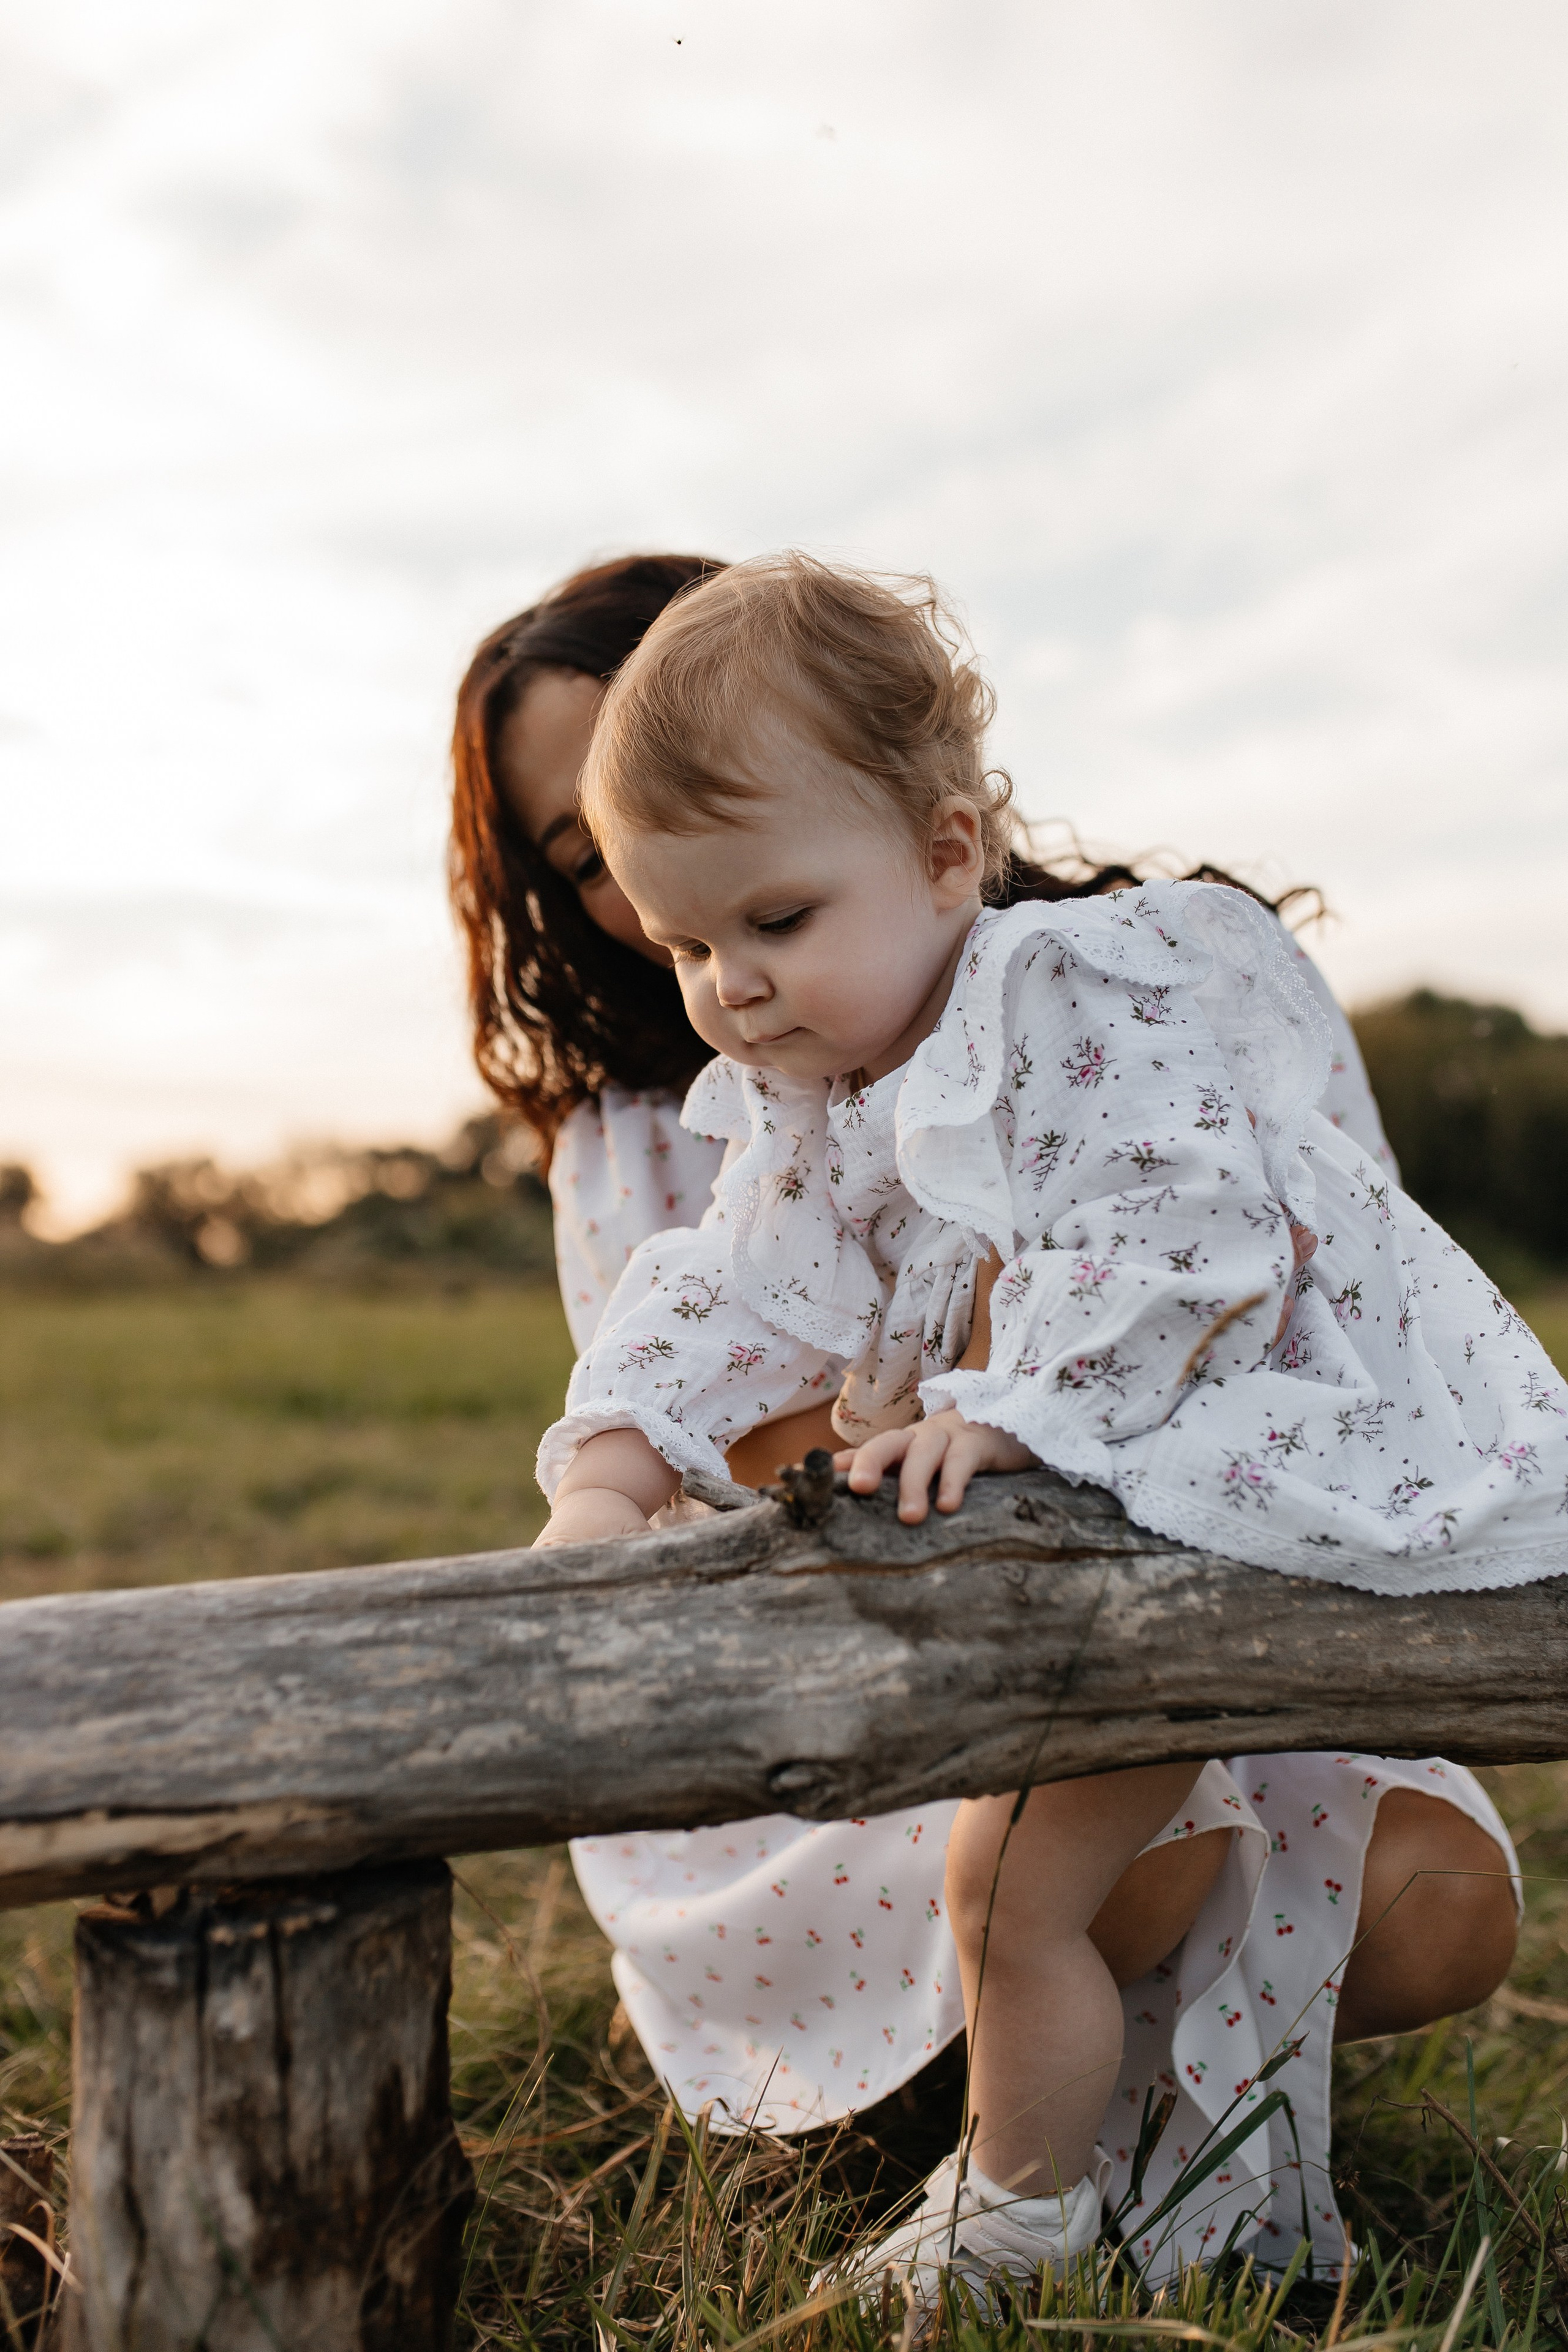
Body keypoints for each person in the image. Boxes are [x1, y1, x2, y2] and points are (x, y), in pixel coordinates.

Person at [529, 552, 1547, 2307]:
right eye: (688, 942)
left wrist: (1019, 1404)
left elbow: (1182, 1227)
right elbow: (729, 1286)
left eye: (774, 923)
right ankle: (1099, 2202)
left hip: (1220, 1490)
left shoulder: (1067, 996)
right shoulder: (819, 1100)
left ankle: (1020, 2214)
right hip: (1105, 1548)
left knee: (1012, 1888)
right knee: (1025, 1883)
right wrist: (615, 1466)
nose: (731, 988)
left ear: (944, 852)